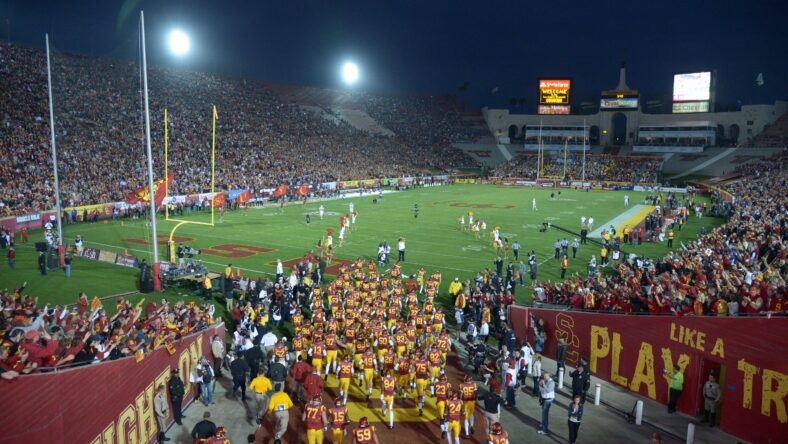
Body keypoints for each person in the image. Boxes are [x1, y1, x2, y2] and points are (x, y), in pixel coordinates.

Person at [538, 371, 555, 435]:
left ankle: (544, 430)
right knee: (544, 413)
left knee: (545, 414)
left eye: (545, 376)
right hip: (544, 399)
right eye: (543, 376)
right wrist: (540, 384)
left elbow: (547, 390)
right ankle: (543, 424)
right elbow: (541, 389)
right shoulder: (545, 381)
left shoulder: (552, 383)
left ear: (548, 376)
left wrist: (543, 385)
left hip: (548, 400)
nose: (544, 377)